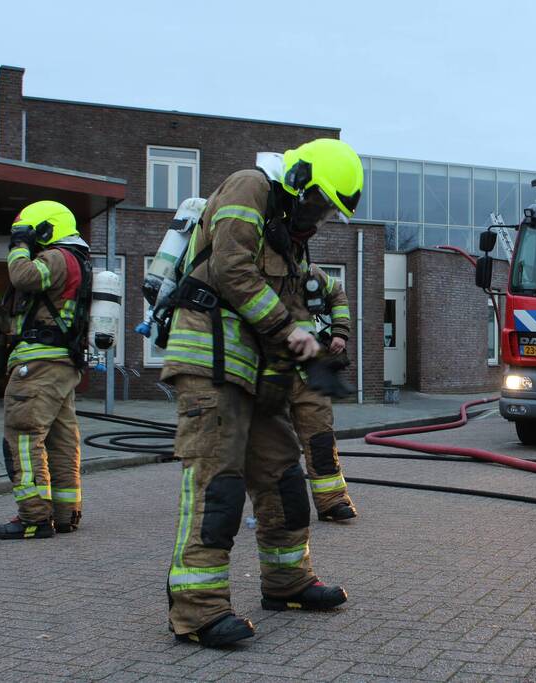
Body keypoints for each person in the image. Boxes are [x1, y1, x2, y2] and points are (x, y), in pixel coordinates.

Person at [160, 138, 363, 648]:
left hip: (252, 370)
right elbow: (233, 270)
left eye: (327, 213)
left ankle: (287, 583)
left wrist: (296, 368)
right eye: (317, 203)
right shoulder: (249, 187)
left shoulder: (291, 238)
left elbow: (288, 310)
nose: (317, 219)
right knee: (219, 483)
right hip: (208, 362)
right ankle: (198, 611)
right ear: (299, 181)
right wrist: (289, 330)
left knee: (284, 479)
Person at [0, 201, 92, 540]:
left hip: (37, 365)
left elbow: (22, 276)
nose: (29, 243)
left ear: (47, 230)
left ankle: (34, 517)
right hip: (61, 364)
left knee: (23, 435)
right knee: (62, 440)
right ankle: (65, 514)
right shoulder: (77, 260)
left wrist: (18, 246)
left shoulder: (55, 257)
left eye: (32, 234)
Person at [286, 263, 358, 521]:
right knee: (276, 445)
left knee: (321, 439)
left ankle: (332, 501)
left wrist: (340, 331)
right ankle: (278, 507)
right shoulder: (246, 266)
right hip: (269, 372)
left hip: (308, 370)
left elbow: (336, 292)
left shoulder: (305, 269)